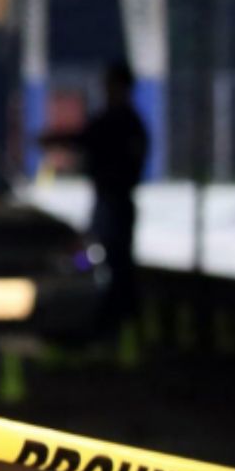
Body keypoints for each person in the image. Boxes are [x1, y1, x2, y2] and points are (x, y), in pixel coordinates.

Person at [42, 61, 150, 333]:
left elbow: (86, 140)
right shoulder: (123, 121)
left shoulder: (121, 122)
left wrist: (54, 140)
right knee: (100, 256)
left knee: (104, 258)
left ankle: (112, 318)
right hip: (110, 201)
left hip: (114, 202)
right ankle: (111, 317)